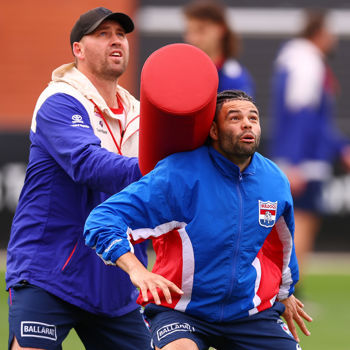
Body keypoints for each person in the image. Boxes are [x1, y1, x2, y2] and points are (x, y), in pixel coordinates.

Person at [84, 90, 312, 350]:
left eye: (253, 118)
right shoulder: (178, 174)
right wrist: (138, 272)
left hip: (249, 314)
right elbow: (102, 219)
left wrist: (286, 292)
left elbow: (281, 244)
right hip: (181, 311)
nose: (247, 123)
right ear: (214, 130)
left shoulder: (275, 180)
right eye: (235, 118)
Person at [6, 7, 152, 350]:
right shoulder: (60, 100)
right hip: (50, 269)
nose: (115, 40)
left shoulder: (141, 114)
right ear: (78, 49)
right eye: (102, 34)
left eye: (120, 34)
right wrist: (158, 169)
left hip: (116, 279)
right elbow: (88, 164)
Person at [269, 9, 350, 281]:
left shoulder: (296, 61)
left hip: (303, 159)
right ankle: (288, 289)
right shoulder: (306, 63)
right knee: (301, 223)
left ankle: (287, 288)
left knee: (298, 224)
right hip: (305, 163)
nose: (333, 39)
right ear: (318, 34)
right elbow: (302, 116)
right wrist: (294, 164)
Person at [183, 0, 255, 96]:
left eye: (201, 30)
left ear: (221, 29)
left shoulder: (234, 78)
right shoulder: (182, 74)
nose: (193, 39)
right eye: (189, 31)